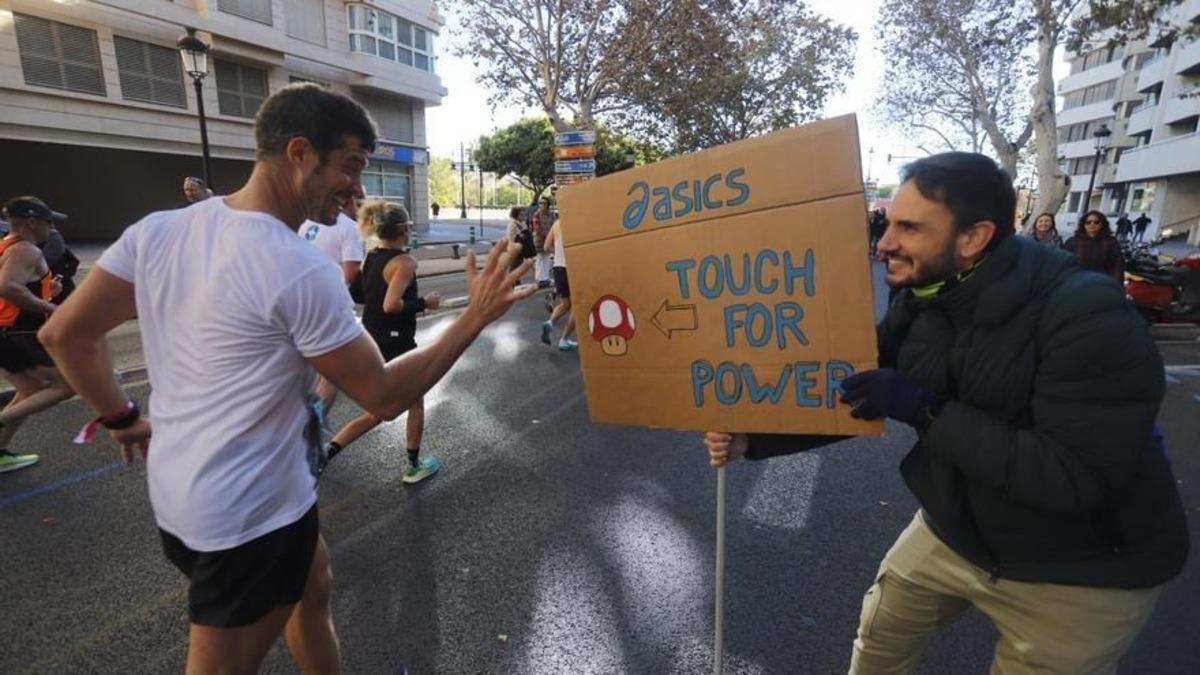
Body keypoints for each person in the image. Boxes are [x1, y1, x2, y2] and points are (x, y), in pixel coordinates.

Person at [38, 84, 534, 673]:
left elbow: (66, 334)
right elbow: (383, 393)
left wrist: (121, 418)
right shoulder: (295, 266)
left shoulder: (158, 231)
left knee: (314, 581)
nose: (358, 189)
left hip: (188, 499)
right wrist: (474, 316)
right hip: (248, 520)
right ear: (300, 152)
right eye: (350, 167)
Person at [704, 152, 1187, 674]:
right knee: (879, 640)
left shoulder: (1087, 315)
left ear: (974, 238)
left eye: (909, 228)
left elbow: (1076, 475)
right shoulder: (924, 291)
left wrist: (926, 410)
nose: (885, 243)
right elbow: (854, 386)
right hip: (955, 530)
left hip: (1082, 569)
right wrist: (756, 438)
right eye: (889, 224)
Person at [325, 200, 441, 484]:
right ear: (402, 229)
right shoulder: (404, 262)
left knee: (378, 410)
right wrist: (424, 303)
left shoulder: (371, 256)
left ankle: (327, 452)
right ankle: (413, 466)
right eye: (410, 227)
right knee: (414, 402)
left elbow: (359, 295)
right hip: (397, 341)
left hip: (371, 338)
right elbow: (392, 305)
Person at [0, 196, 74, 473]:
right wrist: (52, 307)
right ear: (32, 222)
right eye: (48, 222)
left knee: (30, 391)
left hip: (6, 332)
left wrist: (45, 291)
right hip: (17, 333)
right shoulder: (26, 250)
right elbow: (8, 287)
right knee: (67, 385)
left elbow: (16, 287)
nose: (51, 227)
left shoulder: (5, 246)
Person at [540, 216, 577, 351]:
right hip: (572, 268)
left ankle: (549, 323)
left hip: (558, 267)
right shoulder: (576, 221)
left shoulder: (557, 223)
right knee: (577, 307)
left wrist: (559, 252)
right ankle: (564, 340)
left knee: (565, 303)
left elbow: (546, 246)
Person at [1064, 210, 1124, 282]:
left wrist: (1115, 284)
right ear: (1083, 224)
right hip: (1077, 283)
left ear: (1102, 224)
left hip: (1102, 283)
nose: (1092, 224)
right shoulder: (1072, 242)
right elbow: (1064, 263)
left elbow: (1118, 265)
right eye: (1088, 222)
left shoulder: (1111, 242)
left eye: (1096, 222)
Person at [530, 197, 555, 288]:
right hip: (540, 240)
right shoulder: (536, 215)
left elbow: (553, 225)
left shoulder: (551, 215)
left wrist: (551, 236)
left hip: (549, 238)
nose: (542, 205)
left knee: (547, 258)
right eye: (540, 203)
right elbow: (537, 229)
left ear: (548, 204)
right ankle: (540, 279)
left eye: (544, 203)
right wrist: (548, 235)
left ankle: (546, 278)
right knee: (540, 258)